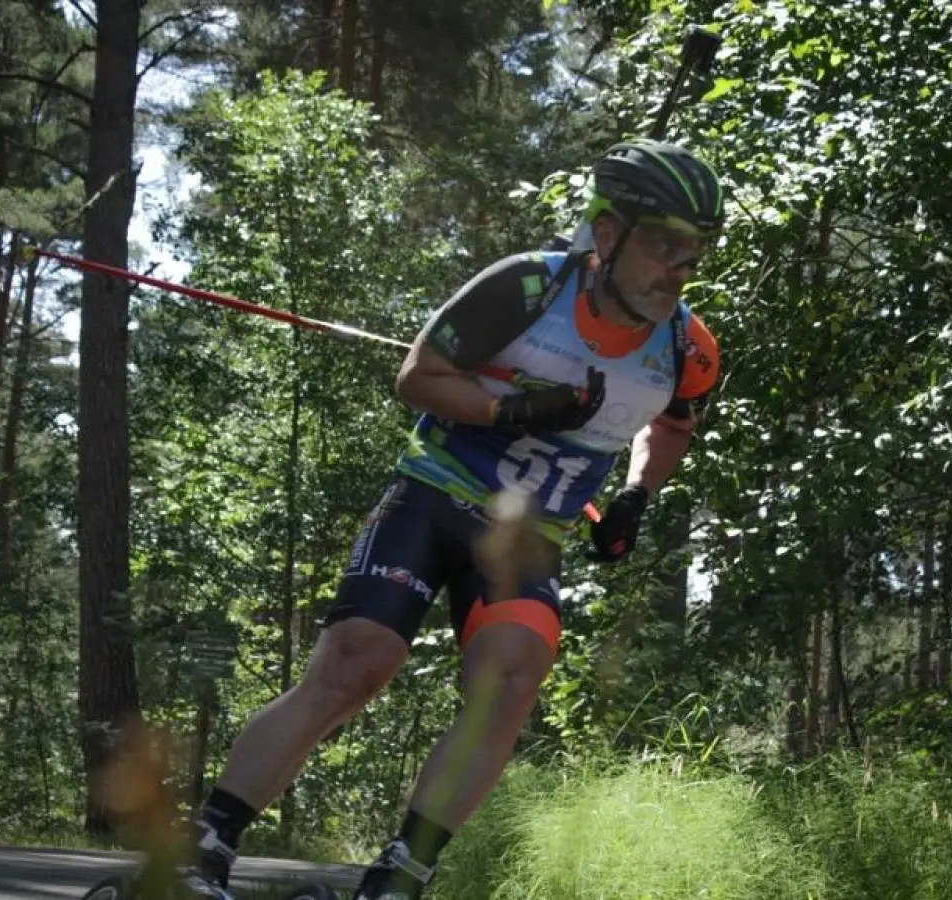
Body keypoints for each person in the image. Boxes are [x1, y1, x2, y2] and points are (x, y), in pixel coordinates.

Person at [180, 138, 726, 900]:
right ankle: (205, 845)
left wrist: (635, 494)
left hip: (527, 536)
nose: (681, 266)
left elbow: (671, 426)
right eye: (665, 242)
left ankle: (402, 874)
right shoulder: (526, 289)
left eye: (695, 250)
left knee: (511, 683)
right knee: (356, 665)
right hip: (436, 495)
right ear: (607, 234)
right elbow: (418, 378)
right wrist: (511, 407)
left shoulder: (687, 348)